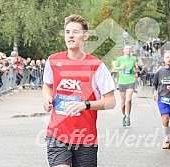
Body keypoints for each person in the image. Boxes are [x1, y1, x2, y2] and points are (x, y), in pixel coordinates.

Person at [42, 14, 116, 167]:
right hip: (57, 134)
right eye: (67, 32)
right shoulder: (53, 61)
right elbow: (47, 86)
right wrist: (48, 98)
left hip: (85, 137)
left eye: (75, 32)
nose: (70, 36)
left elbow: (111, 101)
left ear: (85, 36)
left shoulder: (96, 65)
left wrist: (86, 104)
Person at [115, 45, 138, 126]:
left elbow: (136, 68)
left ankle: (128, 116)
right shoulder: (120, 59)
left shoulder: (134, 59)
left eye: (129, 49)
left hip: (131, 80)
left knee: (128, 99)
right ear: (124, 50)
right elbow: (115, 68)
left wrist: (136, 71)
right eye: (127, 49)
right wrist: (121, 67)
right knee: (123, 101)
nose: (128, 50)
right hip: (122, 82)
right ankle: (123, 115)